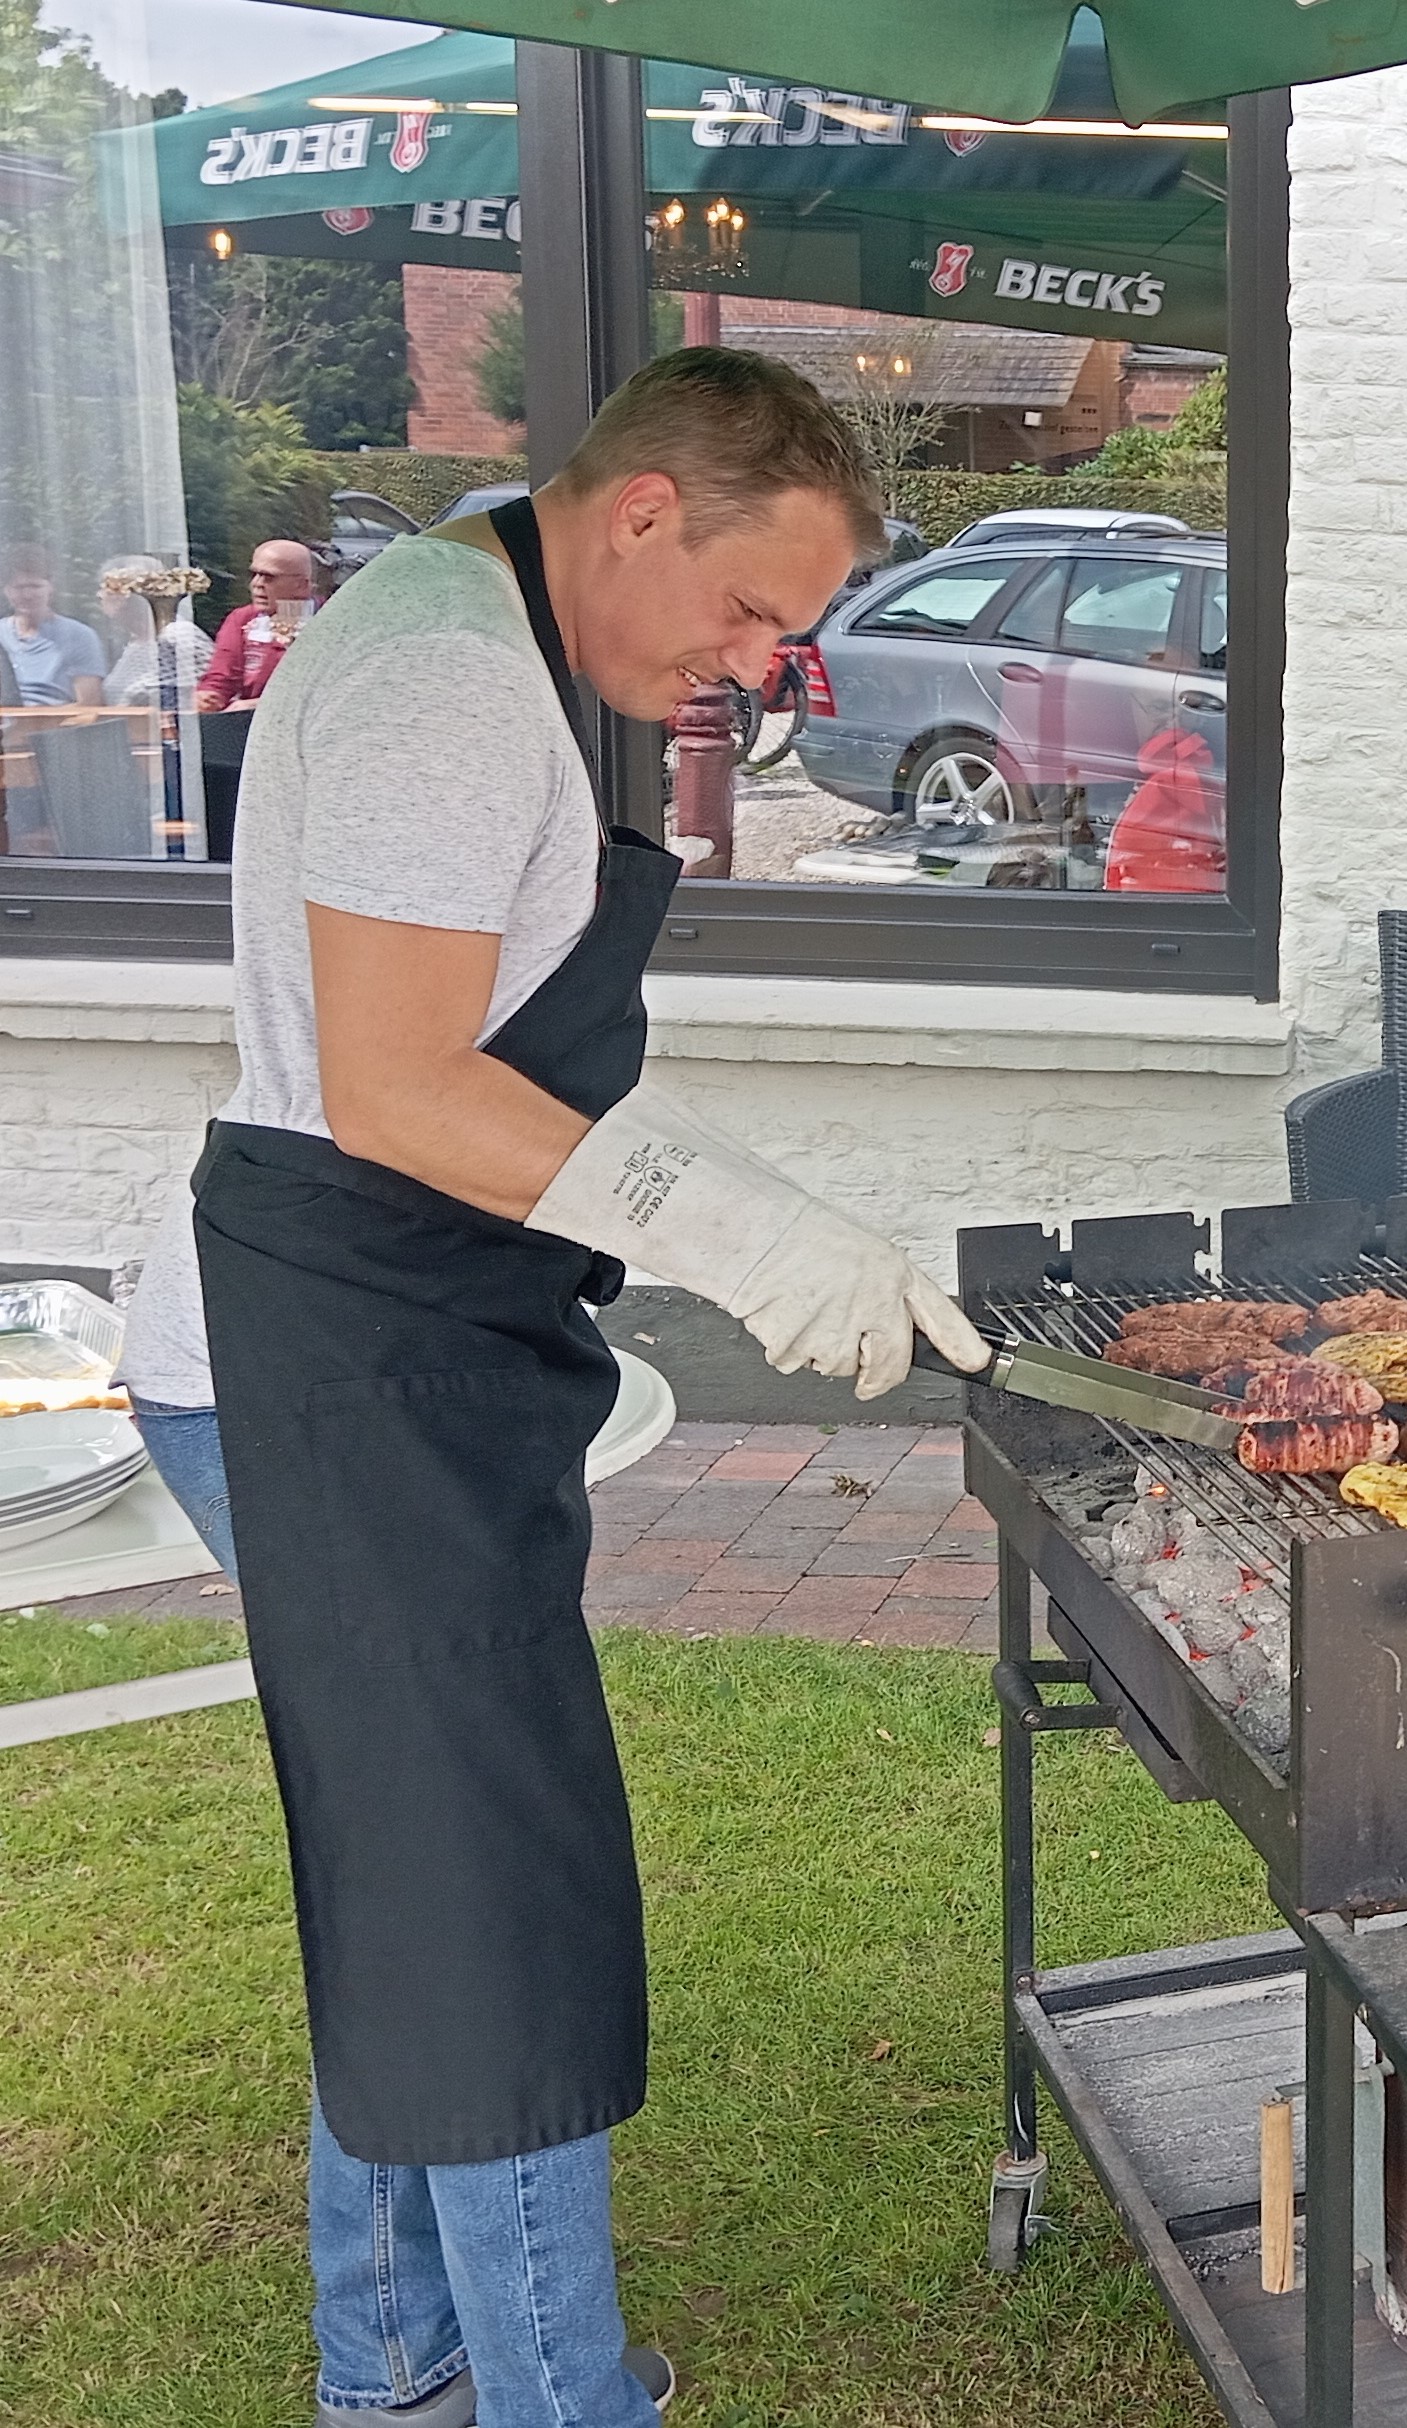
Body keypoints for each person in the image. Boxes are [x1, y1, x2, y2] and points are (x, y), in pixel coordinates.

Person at [114, 347, 990, 2428]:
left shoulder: (503, 635)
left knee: (412, 1868)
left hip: (392, 1325)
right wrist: (738, 1235)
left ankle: (394, 2360)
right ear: (644, 515)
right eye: (757, 610)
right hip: (321, 1344)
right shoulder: (442, 675)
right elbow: (404, 1083)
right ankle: (551, 2396)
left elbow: (514, 1040)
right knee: (482, 1897)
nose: (764, 665)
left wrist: (765, 1197)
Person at [195, 535, 322, 712]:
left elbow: (324, 692)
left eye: (269, 577)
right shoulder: (242, 618)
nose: (257, 584)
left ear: (301, 585)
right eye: (254, 574)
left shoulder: (326, 621)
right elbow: (222, 677)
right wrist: (208, 696)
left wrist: (258, 705)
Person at [98, 552, 216, 710]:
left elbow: (207, 694)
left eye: (107, 588)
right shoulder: (134, 642)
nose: (100, 596)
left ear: (129, 593)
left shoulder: (177, 635)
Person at [3, 545, 109, 705]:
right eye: (19, 587)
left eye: (35, 586)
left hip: (57, 726)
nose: (27, 595)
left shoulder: (79, 636)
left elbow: (89, 705)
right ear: (6, 590)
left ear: (51, 586)